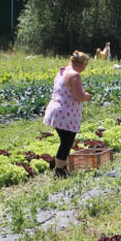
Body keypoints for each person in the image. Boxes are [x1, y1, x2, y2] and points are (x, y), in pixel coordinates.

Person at [42, 50, 93, 178]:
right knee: (67, 141)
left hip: (56, 110)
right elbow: (78, 96)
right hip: (65, 113)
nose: (84, 69)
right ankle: (59, 170)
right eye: (85, 66)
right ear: (82, 64)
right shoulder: (75, 75)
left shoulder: (63, 71)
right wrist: (86, 97)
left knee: (65, 140)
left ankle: (61, 165)